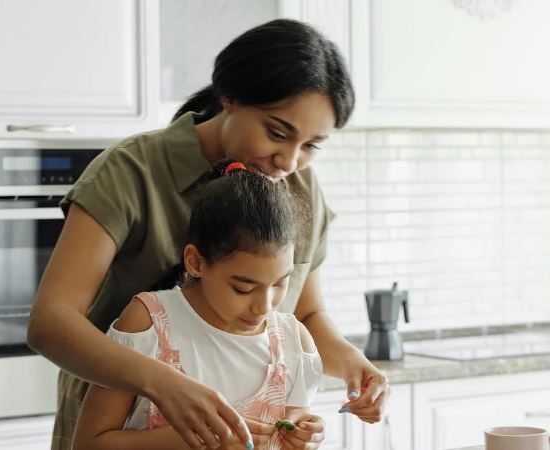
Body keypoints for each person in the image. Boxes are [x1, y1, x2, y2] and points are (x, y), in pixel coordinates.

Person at [28, 18, 390, 450]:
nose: (290, 161)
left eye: (311, 145)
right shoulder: (131, 171)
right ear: (230, 98)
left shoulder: (300, 191)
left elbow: (305, 316)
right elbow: (51, 323)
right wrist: (164, 383)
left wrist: (353, 364)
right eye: (277, 132)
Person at [72, 160, 324, 450]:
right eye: (244, 288)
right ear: (195, 262)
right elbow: (87, 444)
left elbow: (294, 423)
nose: (264, 307)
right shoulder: (148, 324)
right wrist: (187, 441)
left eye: (280, 283)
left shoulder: (293, 342)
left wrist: (305, 434)